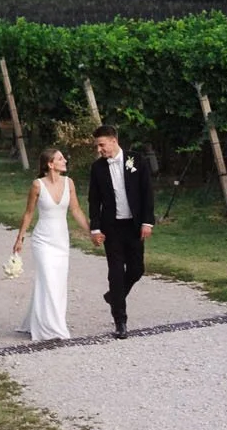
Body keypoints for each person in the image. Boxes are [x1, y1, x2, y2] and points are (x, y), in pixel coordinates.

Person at [12, 147, 93, 342]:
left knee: (58, 282)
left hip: (61, 241)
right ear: (50, 164)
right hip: (43, 240)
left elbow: (76, 210)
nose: (65, 160)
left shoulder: (69, 183)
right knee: (47, 279)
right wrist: (20, 238)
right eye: (60, 158)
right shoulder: (37, 185)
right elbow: (29, 213)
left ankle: (39, 320)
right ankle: (52, 328)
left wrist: (91, 232)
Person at [85, 124, 155, 338]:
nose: (99, 149)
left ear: (114, 141)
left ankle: (114, 296)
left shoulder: (136, 160)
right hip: (112, 227)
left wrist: (147, 222)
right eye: (97, 146)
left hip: (134, 225)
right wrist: (95, 228)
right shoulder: (97, 168)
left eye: (102, 145)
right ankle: (120, 321)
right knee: (115, 272)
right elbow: (93, 199)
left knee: (137, 269)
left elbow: (147, 192)